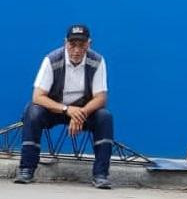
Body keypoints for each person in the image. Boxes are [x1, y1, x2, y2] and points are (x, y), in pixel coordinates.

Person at [14, 24, 113, 189]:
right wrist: (67, 110)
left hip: (82, 111)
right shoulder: (52, 60)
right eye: (72, 44)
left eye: (81, 45)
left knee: (105, 116)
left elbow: (101, 98)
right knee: (32, 111)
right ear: (65, 43)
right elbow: (38, 96)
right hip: (55, 109)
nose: (76, 50)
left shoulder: (97, 61)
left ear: (89, 44)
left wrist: (80, 113)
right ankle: (26, 169)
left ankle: (101, 175)